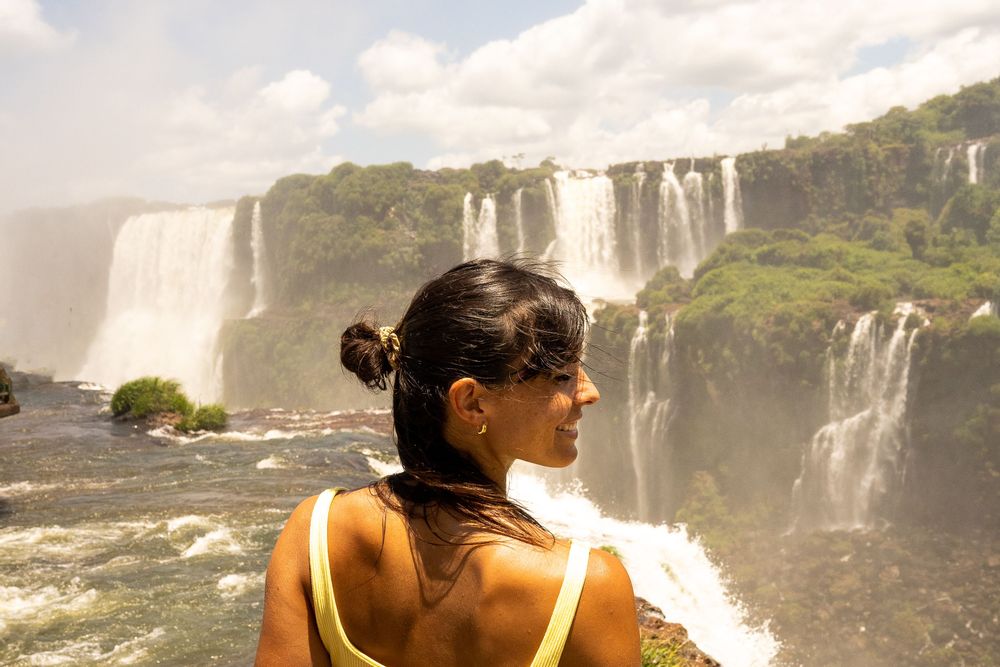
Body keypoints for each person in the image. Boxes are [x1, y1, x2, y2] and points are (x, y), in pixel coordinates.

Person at [255, 258, 642, 666]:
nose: (590, 392)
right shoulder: (585, 587)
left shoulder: (315, 533)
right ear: (472, 402)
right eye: (562, 376)